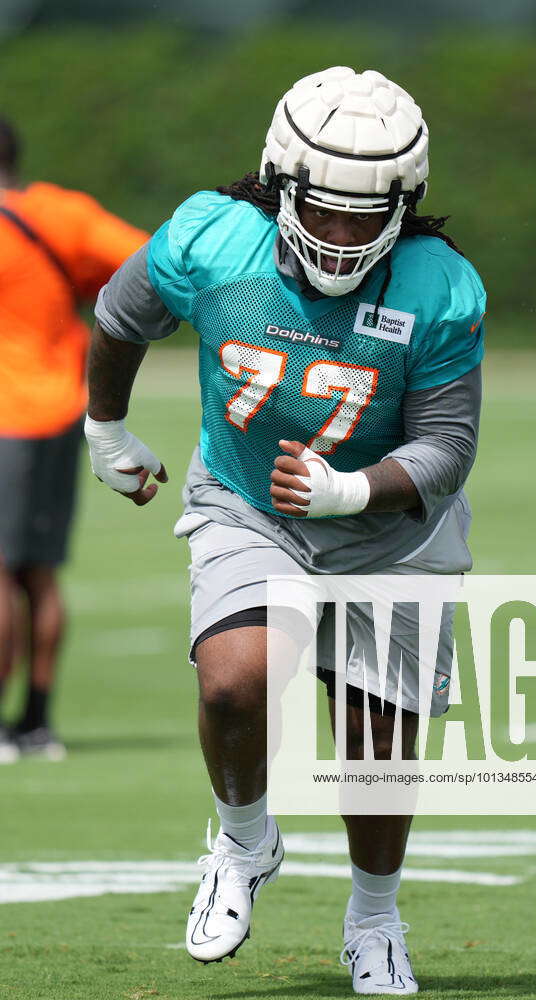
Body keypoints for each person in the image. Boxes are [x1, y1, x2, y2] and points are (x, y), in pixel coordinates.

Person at [85, 67, 485, 995]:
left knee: (374, 743)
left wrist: (350, 492)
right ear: (281, 183)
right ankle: (242, 841)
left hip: (392, 528)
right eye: (325, 209)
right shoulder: (213, 235)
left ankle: (374, 917)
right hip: (247, 496)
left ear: (405, 200)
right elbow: (120, 316)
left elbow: (447, 445)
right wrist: (106, 427)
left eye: (366, 214)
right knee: (233, 682)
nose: (343, 233)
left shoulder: (439, 285)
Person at [0, 116, 149, 762]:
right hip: (64, 408)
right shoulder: (62, 213)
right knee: (41, 574)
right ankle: (35, 722)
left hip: (3, 417)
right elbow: (151, 261)